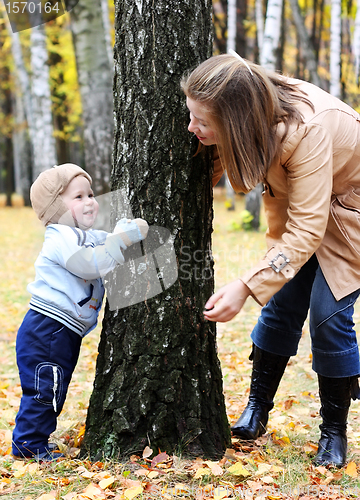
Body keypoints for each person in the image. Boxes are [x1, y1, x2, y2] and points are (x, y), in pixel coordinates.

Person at [181, 53, 360, 468]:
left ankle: (334, 432)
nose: (192, 128)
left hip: (349, 218)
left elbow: (308, 230)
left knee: (328, 317)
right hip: (305, 218)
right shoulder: (250, 115)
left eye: (201, 122)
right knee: (279, 308)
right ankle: (257, 409)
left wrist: (245, 285)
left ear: (235, 119)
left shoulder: (308, 129)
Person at [12, 164, 148, 461]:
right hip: (47, 329)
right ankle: (28, 443)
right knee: (44, 388)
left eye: (90, 194)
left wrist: (124, 233)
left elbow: (104, 241)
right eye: (78, 197)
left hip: (61, 331)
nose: (89, 201)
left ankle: (35, 438)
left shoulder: (82, 235)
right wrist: (120, 240)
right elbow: (89, 264)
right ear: (55, 208)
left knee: (55, 387)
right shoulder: (60, 237)